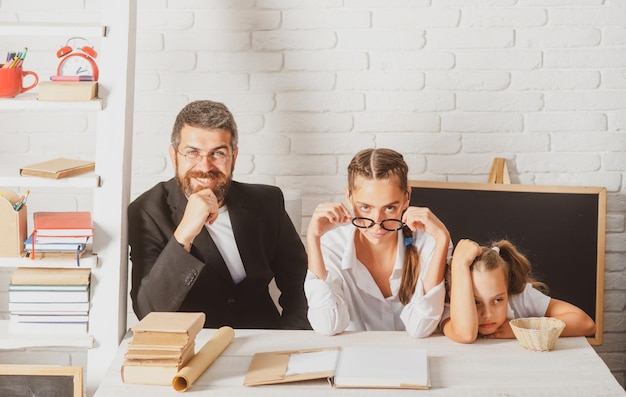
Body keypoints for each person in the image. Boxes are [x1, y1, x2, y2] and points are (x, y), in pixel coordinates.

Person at [128, 100, 310, 330]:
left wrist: (290, 339)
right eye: (192, 153)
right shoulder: (146, 212)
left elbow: (302, 285)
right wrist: (184, 233)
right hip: (193, 349)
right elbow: (148, 311)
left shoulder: (267, 203)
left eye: (218, 154)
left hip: (263, 342)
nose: (205, 166)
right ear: (174, 156)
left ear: (233, 156)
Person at [304, 148, 452, 337]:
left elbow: (420, 327)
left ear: (406, 197)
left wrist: (442, 239)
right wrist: (313, 238)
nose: (377, 223)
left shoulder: (430, 243)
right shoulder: (332, 246)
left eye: (390, 208)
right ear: (348, 196)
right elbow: (327, 325)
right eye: (365, 207)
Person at [441, 239, 596, 343]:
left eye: (497, 300)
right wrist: (459, 264)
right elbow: (465, 333)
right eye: (476, 302)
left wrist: (523, 328)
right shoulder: (450, 310)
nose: (487, 314)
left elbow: (586, 324)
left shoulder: (519, 297)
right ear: (454, 296)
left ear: (507, 291)